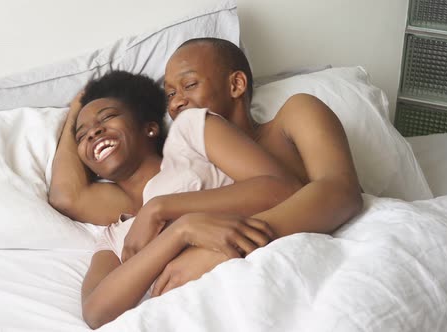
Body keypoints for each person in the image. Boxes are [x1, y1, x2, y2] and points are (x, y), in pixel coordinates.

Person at [48, 70, 303, 328]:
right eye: (82, 136)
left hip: (267, 284)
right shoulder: (115, 236)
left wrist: (162, 209)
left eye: (109, 117)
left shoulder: (189, 137)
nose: (93, 133)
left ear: (150, 127)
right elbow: (95, 313)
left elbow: (283, 190)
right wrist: (181, 230)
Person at [119, 37, 363, 295]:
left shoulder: (294, 115)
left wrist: (227, 249)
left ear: (236, 84)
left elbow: (342, 191)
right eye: (170, 94)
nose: (175, 103)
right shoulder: (192, 176)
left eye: (188, 85)